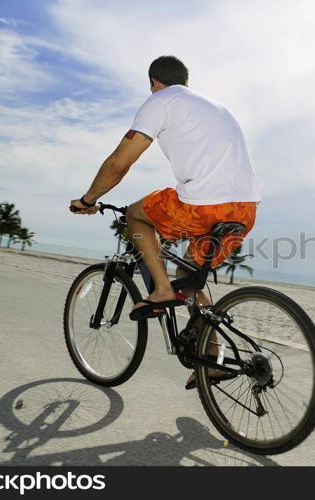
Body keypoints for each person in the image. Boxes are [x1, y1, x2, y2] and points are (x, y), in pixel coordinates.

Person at [69, 55, 261, 388]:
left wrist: (88, 200)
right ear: (185, 80)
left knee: (135, 213)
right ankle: (212, 356)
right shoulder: (217, 107)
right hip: (245, 209)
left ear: (154, 82)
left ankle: (159, 291)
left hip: (203, 206)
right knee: (188, 274)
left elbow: (119, 163)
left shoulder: (162, 99)